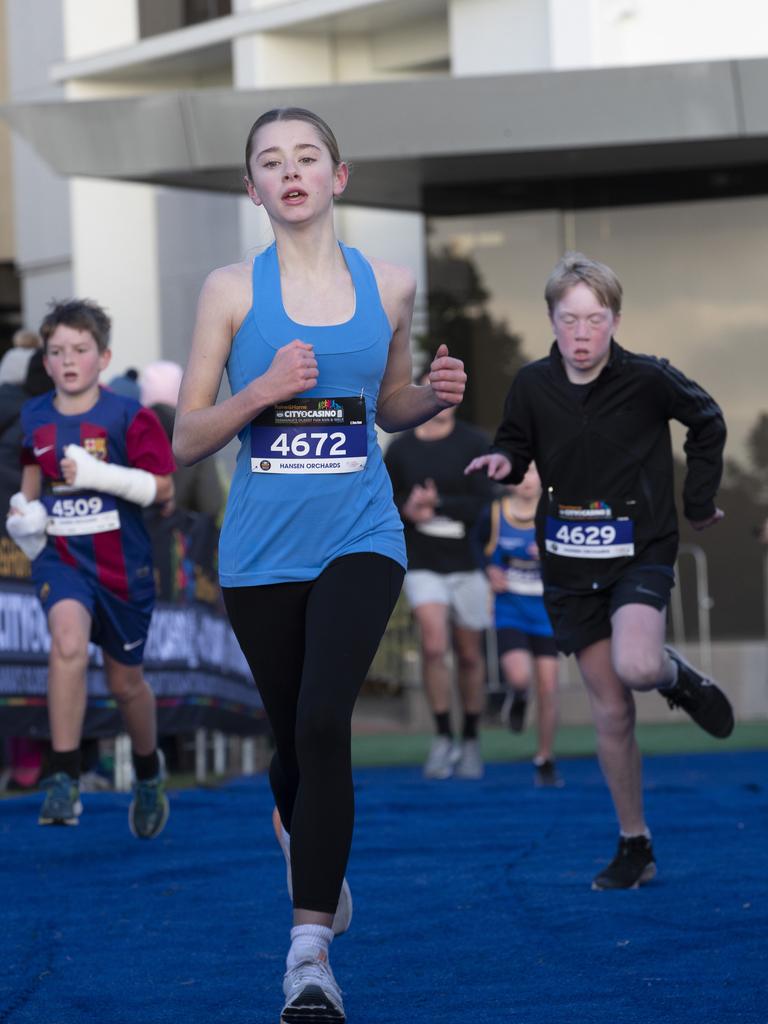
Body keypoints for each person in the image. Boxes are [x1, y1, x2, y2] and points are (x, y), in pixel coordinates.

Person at [172, 107, 466, 1023]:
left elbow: (387, 404)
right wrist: (260, 390)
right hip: (260, 552)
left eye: (307, 157)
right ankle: (319, 866)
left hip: (361, 536)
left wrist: (432, 399)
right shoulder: (228, 290)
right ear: (251, 188)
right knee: (293, 741)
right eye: (271, 161)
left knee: (326, 718)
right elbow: (186, 437)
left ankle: (308, 957)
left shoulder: (392, 285)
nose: (290, 171)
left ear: (339, 176)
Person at [466, 251, 733, 890]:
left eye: (595, 319)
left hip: (639, 548)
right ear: (552, 320)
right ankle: (634, 843)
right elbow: (514, 440)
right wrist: (504, 463)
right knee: (610, 711)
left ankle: (675, 674)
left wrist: (697, 502)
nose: (582, 334)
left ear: (614, 319)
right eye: (569, 319)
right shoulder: (531, 384)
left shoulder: (648, 379)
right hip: (567, 562)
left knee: (638, 666)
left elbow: (708, 421)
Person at [5, 299, 175, 838]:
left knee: (127, 685)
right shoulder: (34, 417)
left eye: (80, 350)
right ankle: (63, 776)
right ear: (46, 362)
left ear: (103, 357)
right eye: (57, 352)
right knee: (68, 644)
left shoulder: (130, 416)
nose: (68, 360)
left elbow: (163, 488)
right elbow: (31, 486)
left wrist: (101, 474)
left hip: (124, 566)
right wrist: (23, 515)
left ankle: (148, 772)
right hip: (63, 560)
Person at [384, 381, 493, 779]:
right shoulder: (401, 448)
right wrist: (408, 508)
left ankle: (471, 737)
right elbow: (383, 498)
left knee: (468, 653)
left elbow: (487, 502)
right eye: (434, 388)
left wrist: (440, 503)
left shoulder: (475, 443)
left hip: (468, 564)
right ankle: (443, 734)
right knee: (433, 646)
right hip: (422, 562)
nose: (442, 397)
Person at [473, 462, 563, 787]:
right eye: (520, 473)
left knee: (550, 688)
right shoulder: (495, 513)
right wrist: (488, 569)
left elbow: (573, 554)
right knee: (519, 675)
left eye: (534, 472)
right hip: (510, 608)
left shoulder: (556, 513)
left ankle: (545, 758)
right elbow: (475, 545)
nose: (527, 480)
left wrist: (552, 554)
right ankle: (519, 696)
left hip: (547, 613)